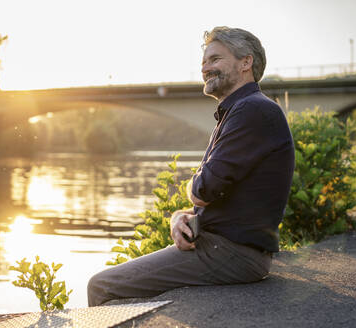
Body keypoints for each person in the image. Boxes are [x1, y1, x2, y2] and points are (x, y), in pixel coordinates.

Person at [87, 26, 295, 307]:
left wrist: (193, 190)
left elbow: (203, 190)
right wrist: (179, 217)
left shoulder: (251, 110)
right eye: (204, 62)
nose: (206, 68)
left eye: (215, 59)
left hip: (232, 253)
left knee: (102, 286)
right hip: (227, 248)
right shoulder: (239, 112)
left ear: (246, 62)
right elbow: (218, 193)